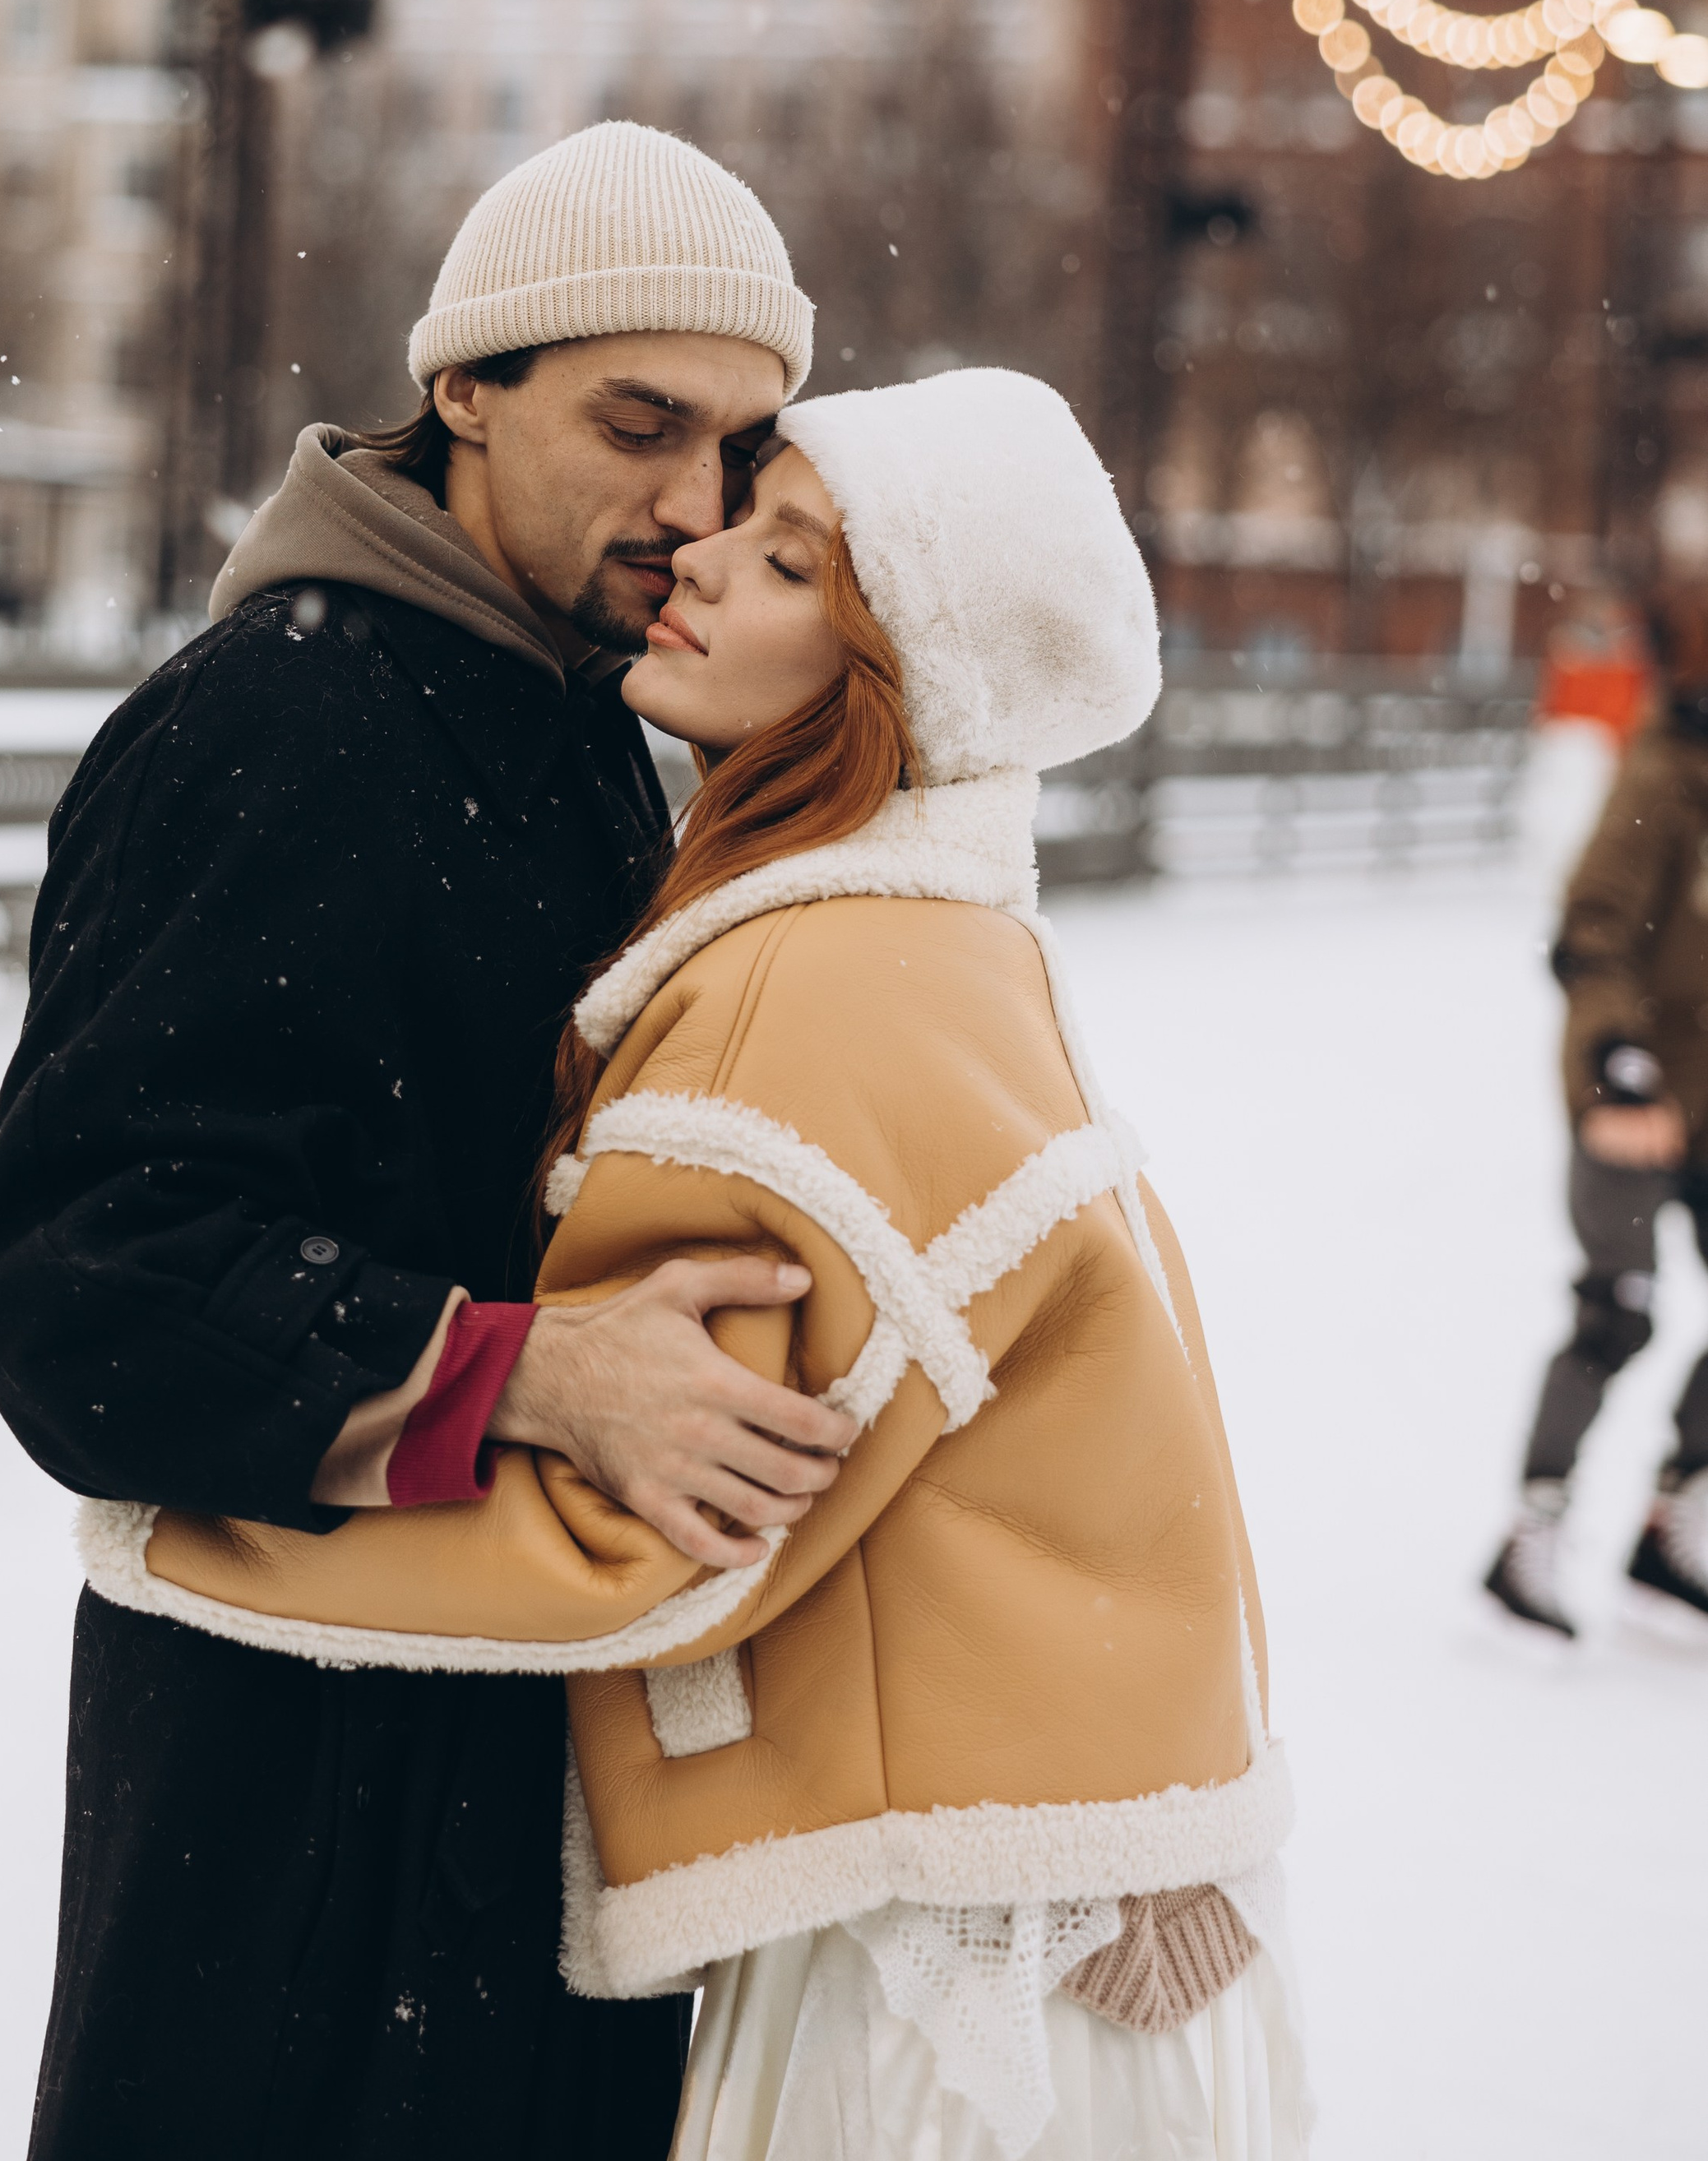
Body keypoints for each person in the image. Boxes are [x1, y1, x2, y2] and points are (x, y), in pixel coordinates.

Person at [81, 368, 1310, 2161]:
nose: (700, 558)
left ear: (899, 677)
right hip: (1004, 1907)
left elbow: (648, 1540)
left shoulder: (799, 997)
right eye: (741, 508)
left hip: (913, 1988)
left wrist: (180, 1530)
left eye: (791, 559)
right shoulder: (950, 953)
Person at [0, 122, 860, 2161]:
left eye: (739, 444)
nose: (692, 503)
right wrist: (523, 1368)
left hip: (512, 1789)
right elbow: (77, 1277)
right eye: (638, 422)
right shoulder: (274, 724)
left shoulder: (583, 727)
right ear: (465, 385)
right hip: (297, 1831)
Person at [1486, 578, 1708, 1641]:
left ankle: (1673, 1523)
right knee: (1618, 1310)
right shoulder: (1663, 776)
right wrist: (1619, 1060)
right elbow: (1592, 931)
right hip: (1634, 1091)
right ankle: (1531, 1530)